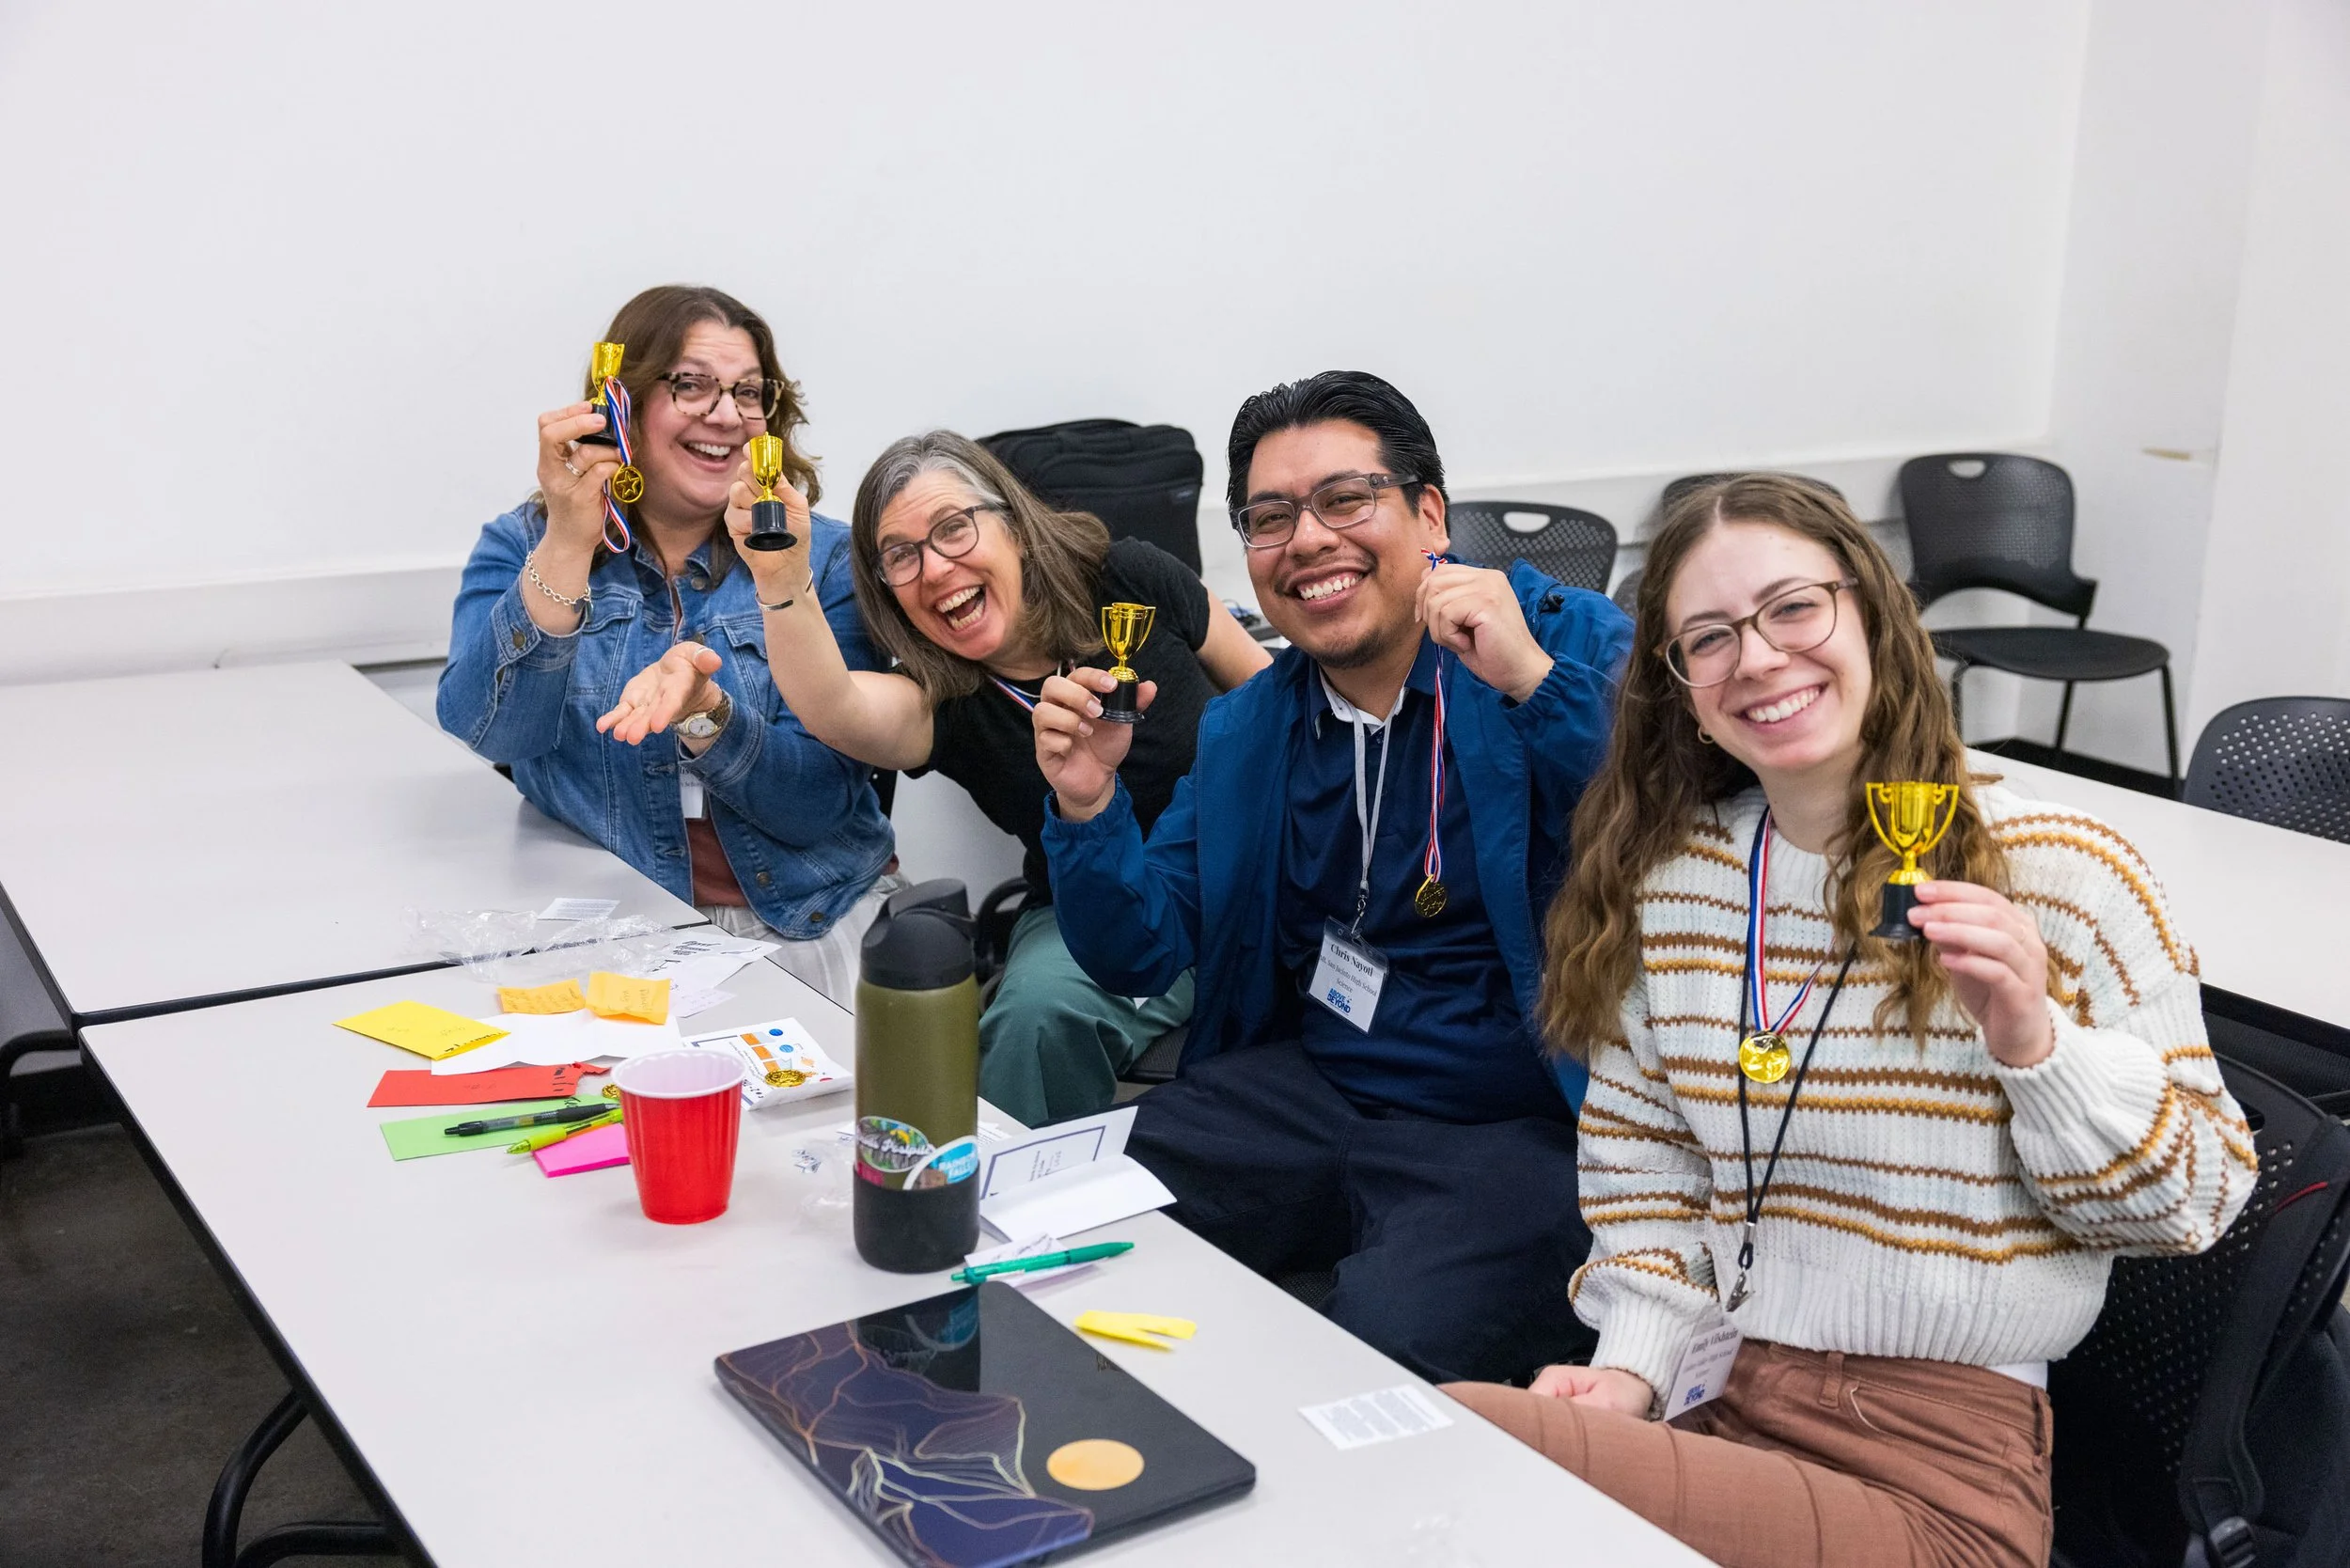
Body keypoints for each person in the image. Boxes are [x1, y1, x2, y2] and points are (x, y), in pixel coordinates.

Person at [1442, 476, 2257, 1567]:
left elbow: (2198, 1200)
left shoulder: (2061, 867)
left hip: (1943, 1463)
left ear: (1870, 610)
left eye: (1792, 609)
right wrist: (1635, 1365)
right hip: (1721, 1397)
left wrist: (2037, 1045)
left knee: (1457, 1439)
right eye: (1710, 638)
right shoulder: (1675, 882)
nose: (1761, 659)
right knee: (1450, 1476)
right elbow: (1648, 1169)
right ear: (1679, 687)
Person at [1030, 371, 1634, 1384]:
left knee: (1371, 1362)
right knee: (1063, 1231)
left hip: (1516, 1125)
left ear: (1427, 513)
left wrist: (1529, 684)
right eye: (1269, 518)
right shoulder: (1251, 728)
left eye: (1345, 500)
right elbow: (1138, 952)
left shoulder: (1558, 641)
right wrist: (1087, 810)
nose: (1308, 540)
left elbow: (1687, 823)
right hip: (1310, 1092)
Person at [677, 428, 1269, 1124]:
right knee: (1034, 1016)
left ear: (1014, 528)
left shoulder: (1129, 576)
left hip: (1251, 882)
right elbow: (835, 707)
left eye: (954, 529)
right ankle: (986, 1212)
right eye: (901, 556)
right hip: (1094, 913)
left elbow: (1275, 702)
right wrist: (781, 576)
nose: (934, 569)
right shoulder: (945, 698)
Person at [438, 285, 897, 1004]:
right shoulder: (524, 542)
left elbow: (814, 805)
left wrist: (706, 713)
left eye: (747, 392)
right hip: (614, 935)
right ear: (620, 406)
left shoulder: (826, 558)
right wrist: (568, 539)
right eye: (690, 385)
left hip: (803, 921)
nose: (724, 414)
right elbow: (492, 728)